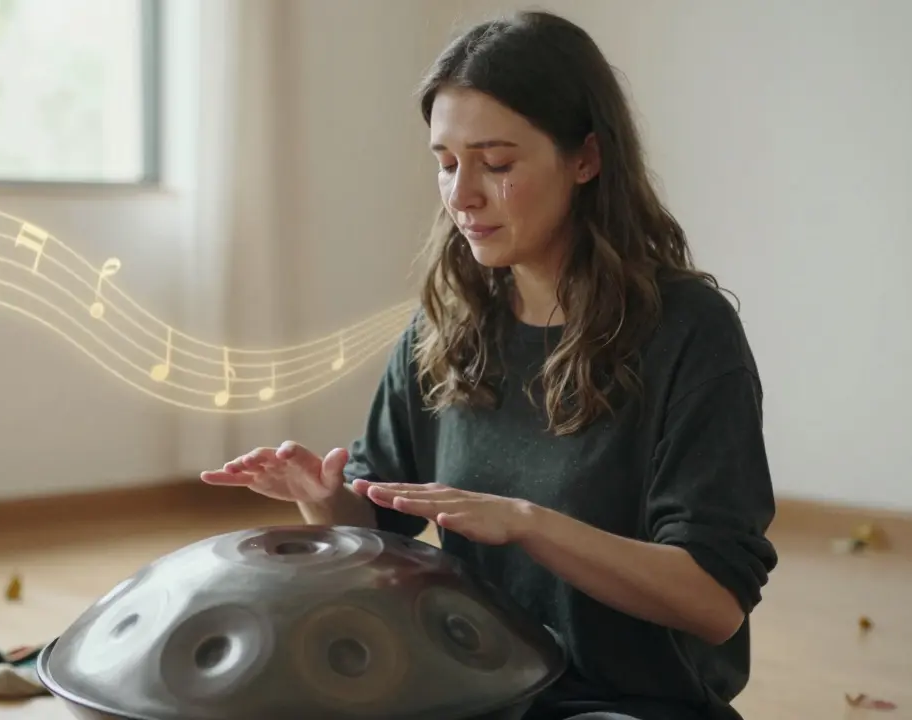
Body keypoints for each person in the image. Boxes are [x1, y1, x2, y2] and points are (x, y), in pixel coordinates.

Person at [200, 9, 778, 720]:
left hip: (626, 706)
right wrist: (323, 500)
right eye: (446, 163)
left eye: (497, 164)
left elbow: (714, 602)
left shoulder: (689, 332)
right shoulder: (444, 326)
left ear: (586, 159)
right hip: (474, 696)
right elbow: (385, 525)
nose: (462, 195)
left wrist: (530, 524)